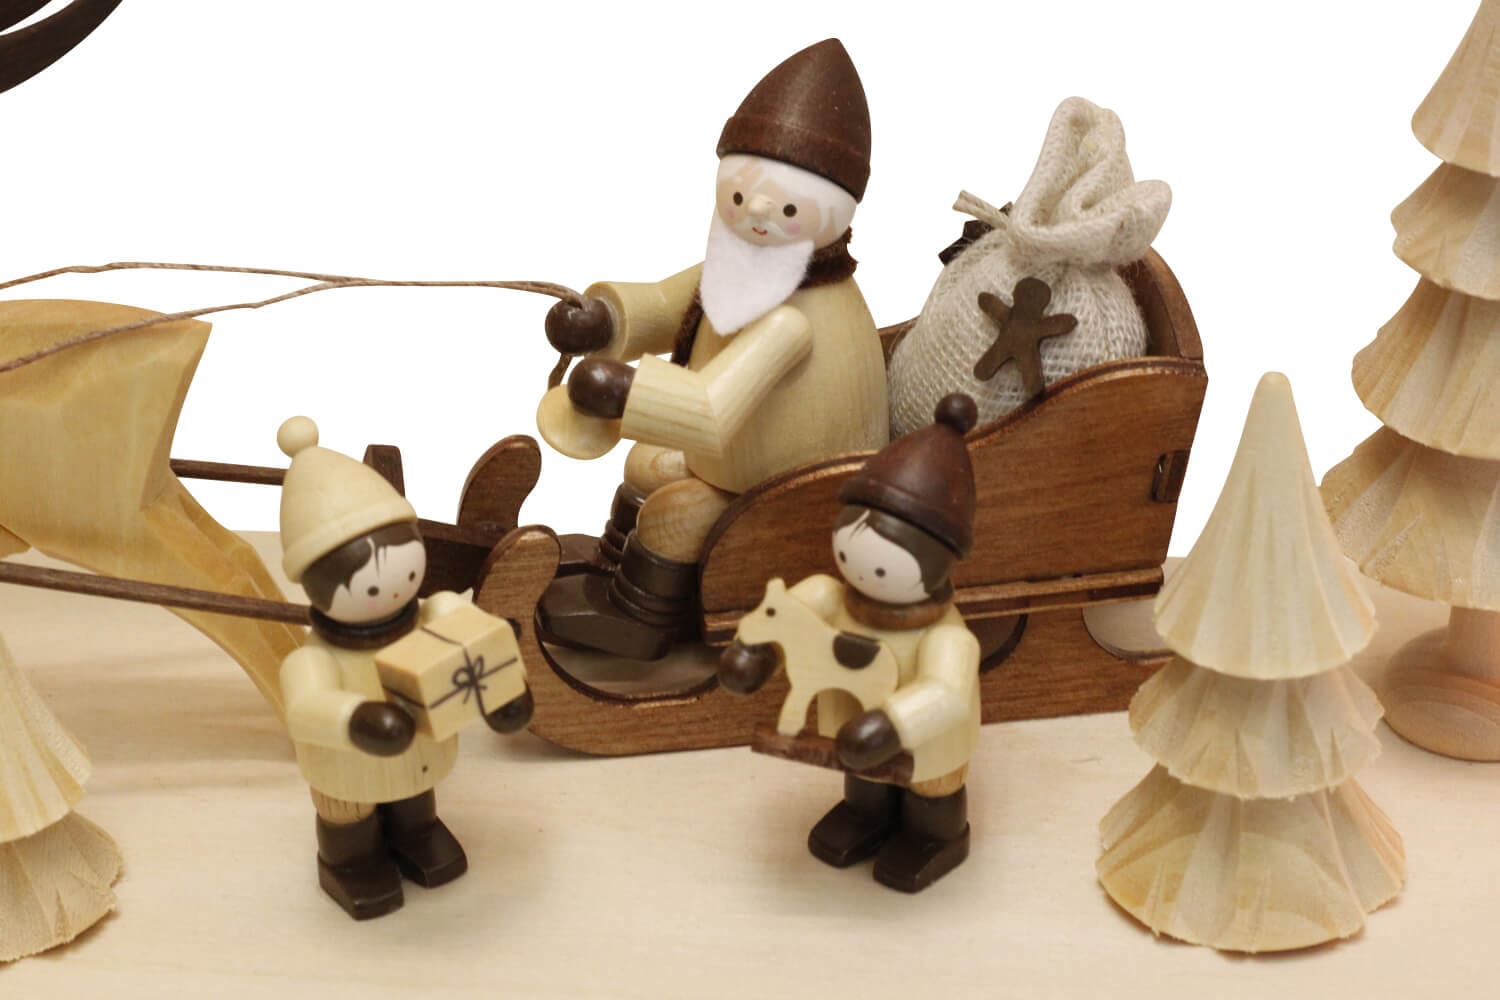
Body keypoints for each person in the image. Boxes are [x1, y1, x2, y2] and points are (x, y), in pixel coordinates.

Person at [537, 38, 889, 661]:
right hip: (737, 466)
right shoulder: (750, 266)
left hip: (786, 488)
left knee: (674, 512)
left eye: (787, 207)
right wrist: (604, 320)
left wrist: (623, 393)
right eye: (740, 197)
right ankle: (616, 572)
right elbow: (667, 303)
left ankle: (642, 620)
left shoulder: (796, 320)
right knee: (646, 466)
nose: (756, 215)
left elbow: (711, 410)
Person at [720, 395, 982, 892]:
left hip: (925, 747)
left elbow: (945, 695)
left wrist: (891, 724)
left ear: (939, 562)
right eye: (849, 550)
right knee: (864, 781)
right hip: (851, 737)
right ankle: (866, 816)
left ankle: (935, 837)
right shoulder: (828, 593)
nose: (861, 571)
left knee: (933, 788)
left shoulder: (947, 636)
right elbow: (785, 617)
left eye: (883, 567)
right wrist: (754, 652)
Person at [275, 417, 534, 919]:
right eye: (370, 587)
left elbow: (476, 638)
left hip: (419, 755)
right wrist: (357, 719)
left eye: (407, 568)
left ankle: (417, 833)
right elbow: (306, 708)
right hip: (347, 768)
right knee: (348, 814)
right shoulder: (315, 658)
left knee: (416, 795)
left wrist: (505, 688)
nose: (394, 589)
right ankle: (349, 863)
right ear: (314, 585)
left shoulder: (436, 611)